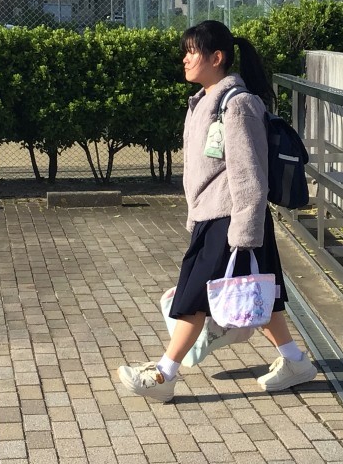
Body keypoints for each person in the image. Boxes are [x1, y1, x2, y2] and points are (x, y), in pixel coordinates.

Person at [117, 20, 317, 402]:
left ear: (217, 57)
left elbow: (250, 175)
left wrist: (244, 235)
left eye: (193, 51)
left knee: (195, 298)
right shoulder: (203, 103)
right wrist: (196, 217)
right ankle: (295, 362)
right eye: (186, 51)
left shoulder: (237, 105)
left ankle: (164, 374)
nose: (185, 58)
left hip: (231, 220)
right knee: (257, 294)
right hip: (212, 217)